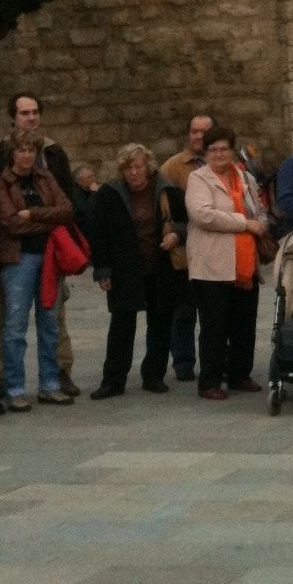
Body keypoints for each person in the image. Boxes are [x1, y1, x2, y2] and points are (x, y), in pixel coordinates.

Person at [0, 93, 78, 394]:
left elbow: (66, 205)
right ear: (14, 117)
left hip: (50, 251)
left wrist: (35, 216)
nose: (31, 118)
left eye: (35, 112)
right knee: (8, 319)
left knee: (53, 318)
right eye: (25, 113)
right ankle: (2, 379)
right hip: (10, 253)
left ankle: (58, 374)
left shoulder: (54, 155)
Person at [87, 144, 182, 399]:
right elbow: (99, 233)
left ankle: (154, 375)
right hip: (124, 269)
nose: (134, 172)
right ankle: (113, 380)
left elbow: (184, 222)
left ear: (147, 167)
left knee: (160, 323)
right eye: (128, 167)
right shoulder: (109, 193)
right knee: (121, 324)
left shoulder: (166, 190)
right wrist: (103, 270)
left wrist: (176, 235)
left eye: (138, 166)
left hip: (160, 267)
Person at [185, 125, 268, 401]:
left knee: (244, 322)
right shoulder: (199, 179)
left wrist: (261, 223)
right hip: (212, 264)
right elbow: (203, 215)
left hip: (244, 262)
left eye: (224, 148)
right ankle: (209, 380)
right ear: (205, 153)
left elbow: (260, 211)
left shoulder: (245, 177)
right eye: (213, 149)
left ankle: (239, 374)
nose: (219, 154)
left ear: (233, 151)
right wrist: (246, 224)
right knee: (214, 325)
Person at [158, 112, 213, 383]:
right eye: (194, 131)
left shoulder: (224, 164)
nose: (198, 136)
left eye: (203, 131)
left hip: (214, 251)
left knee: (213, 311)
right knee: (183, 310)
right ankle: (183, 361)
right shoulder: (173, 167)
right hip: (184, 251)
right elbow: (164, 209)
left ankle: (214, 360)